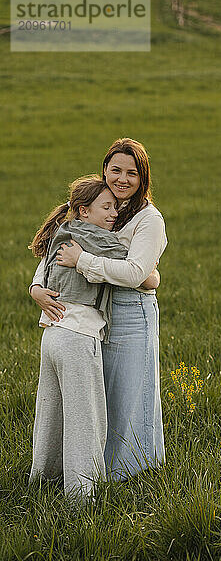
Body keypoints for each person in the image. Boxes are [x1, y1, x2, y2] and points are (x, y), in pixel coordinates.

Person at [31, 138, 168, 481]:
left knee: (130, 395)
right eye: (115, 170)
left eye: (132, 173)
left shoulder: (149, 219)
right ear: (105, 169)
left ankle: (130, 474)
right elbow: (60, 241)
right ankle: (93, 472)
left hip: (132, 312)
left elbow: (137, 274)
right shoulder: (100, 204)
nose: (122, 179)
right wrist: (36, 287)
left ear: (143, 178)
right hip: (97, 316)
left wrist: (84, 262)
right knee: (99, 398)